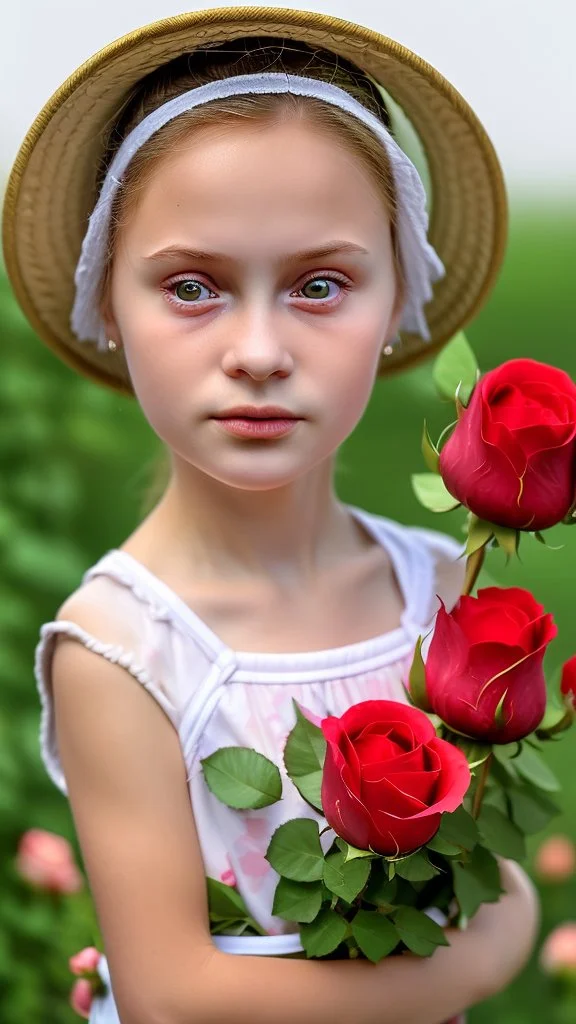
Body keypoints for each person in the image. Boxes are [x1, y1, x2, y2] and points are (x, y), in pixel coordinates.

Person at [3, 8, 538, 1024]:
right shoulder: (124, 648)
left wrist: (495, 908)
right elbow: (175, 996)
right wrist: (472, 967)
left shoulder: (439, 588)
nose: (257, 349)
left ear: (398, 298)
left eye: (321, 284)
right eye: (193, 285)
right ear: (108, 302)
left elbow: (480, 869)